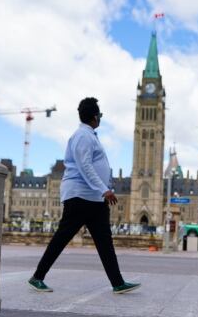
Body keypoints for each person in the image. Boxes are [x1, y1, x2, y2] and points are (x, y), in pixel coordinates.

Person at [28, 97, 140, 295]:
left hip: (94, 199)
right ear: (95, 117)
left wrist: (105, 188)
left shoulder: (89, 136)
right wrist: (104, 189)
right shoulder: (82, 136)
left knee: (105, 242)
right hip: (80, 197)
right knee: (62, 238)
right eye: (100, 115)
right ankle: (37, 277)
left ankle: (117, 282)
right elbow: (85, 166)